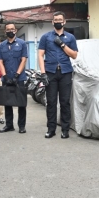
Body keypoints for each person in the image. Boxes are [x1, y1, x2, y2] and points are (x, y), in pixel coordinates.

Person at [38, 11, 78, 139]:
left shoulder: (70, 37)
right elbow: (40, 55)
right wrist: (43, 73)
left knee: (65, 102)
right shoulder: (46, 37)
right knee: (51, 102)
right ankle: (51, 129)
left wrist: (61, 44)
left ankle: (65, 130)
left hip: (65, 72)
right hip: (50, 73)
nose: (58, 22)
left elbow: (74, 55)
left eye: (60, 20)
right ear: (52, 22)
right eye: (55, 20)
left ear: (64, 22)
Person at [0, 23, 28, 133]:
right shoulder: (1, 45)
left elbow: (23, 60)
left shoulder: (22, 43)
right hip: (6, 78)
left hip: (19, 78)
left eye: (12, 29)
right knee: (7, 102)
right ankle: (9, 125)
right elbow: (0, 62)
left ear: (15, 30)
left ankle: (21, 126)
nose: (10, 31)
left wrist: (17, 75)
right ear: (5, 31)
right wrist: (5, 76)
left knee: (21, 103)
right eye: (8, 29)